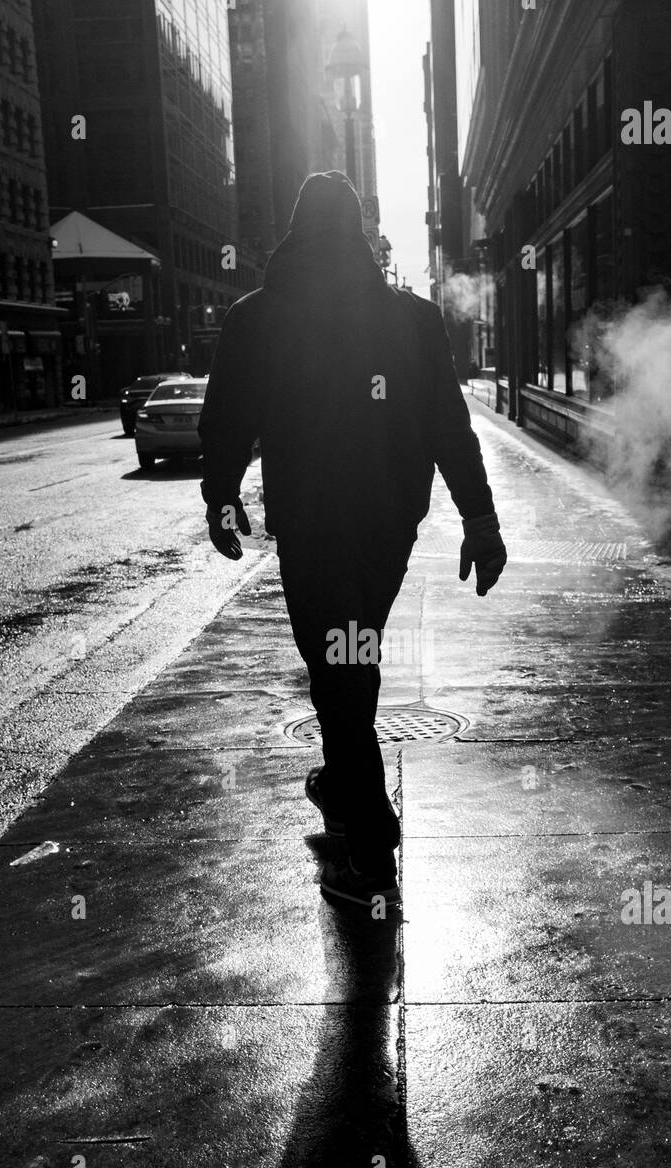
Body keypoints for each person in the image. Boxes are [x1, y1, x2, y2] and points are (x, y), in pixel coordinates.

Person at [198, 171, 506, 909]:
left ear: (296, 229)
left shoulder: (257, 319)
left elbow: (227, 421)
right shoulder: (412, 320)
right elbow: (448, 429)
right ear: (362, 234)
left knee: (338, 668)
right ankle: (344, 787)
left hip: (311, 523)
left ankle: (368, 849)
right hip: (387, 525)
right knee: (350, 655)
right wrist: (480, 519)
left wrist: (221, 498)